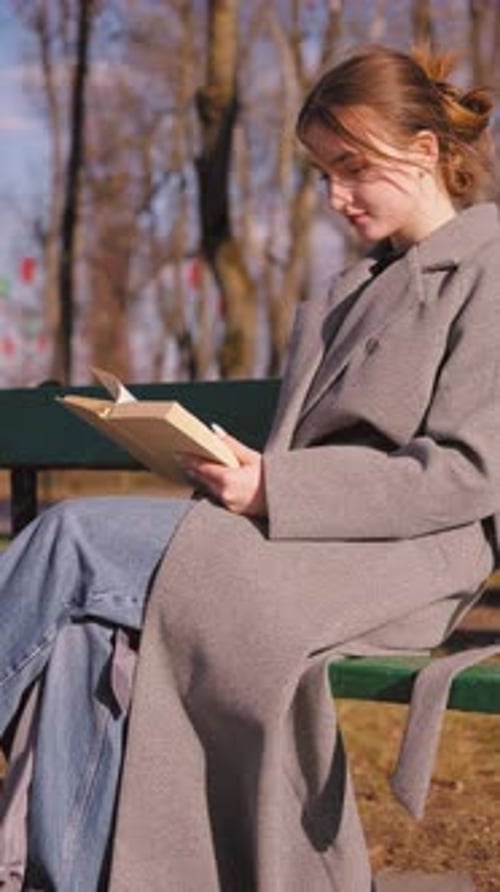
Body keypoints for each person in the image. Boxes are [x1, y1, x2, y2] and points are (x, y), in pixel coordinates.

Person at [0, 44, 499, 892]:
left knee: (74, 536)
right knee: (87, 630)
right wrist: (233, 463)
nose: (336, 196)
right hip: (300, 538)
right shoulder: (356, 288)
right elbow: (308, 449)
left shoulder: (488, 270)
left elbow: (464, 472)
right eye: (323, 173)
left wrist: (276, 485)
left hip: (407, 558)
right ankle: (59, 876)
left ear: (423, 152)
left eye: (353, 168)